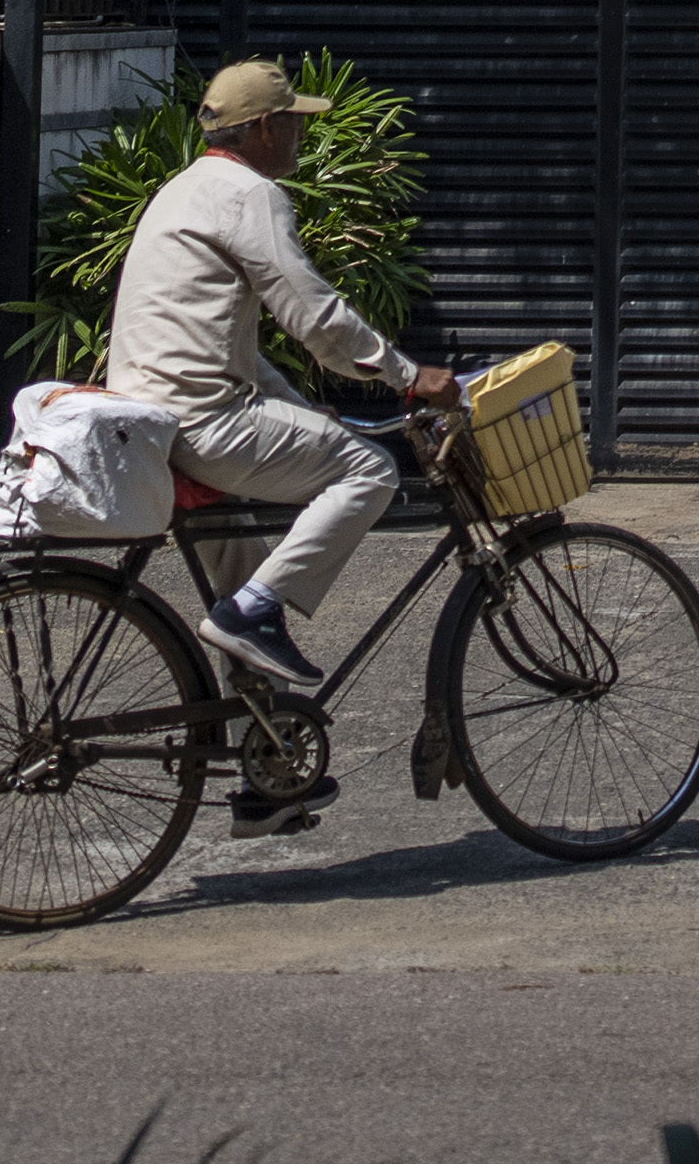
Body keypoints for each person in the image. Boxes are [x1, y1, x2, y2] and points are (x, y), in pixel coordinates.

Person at [104, 59, 451, 697]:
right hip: (205, 424)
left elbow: (227, 347)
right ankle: (255, 611)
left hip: (153, 419)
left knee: (243, 559)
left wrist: (309, 413)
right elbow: (313, 315)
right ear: (266, 127)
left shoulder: (185, 188)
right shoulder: (251, 196)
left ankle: (266, 773)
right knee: (370, 470)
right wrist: (407, 375)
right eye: (293, 121)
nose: (300, 134)